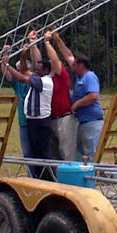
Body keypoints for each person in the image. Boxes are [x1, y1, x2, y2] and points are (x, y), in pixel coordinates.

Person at [3, 53, 58, 178]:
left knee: (43, 153)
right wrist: (23, 54)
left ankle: (48, 179)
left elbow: (22, 77)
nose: (35, 72)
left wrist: (7, 65)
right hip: (33, 121)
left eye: (38, 70)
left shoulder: (45, 81)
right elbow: (24, 70)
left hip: (41, 122)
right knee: (34, 152)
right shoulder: (39, 77)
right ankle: (37, 177)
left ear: (46, 71)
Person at [53, 32, 104, 162]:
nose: (72, 66)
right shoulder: (79, 77)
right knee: (83, 151)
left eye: (75, 64)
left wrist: (76, 105)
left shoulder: (89, 76)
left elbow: (93, 96)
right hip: (83, 122)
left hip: (92, 122)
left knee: (91, 153)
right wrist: (58, 40)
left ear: (81, 65)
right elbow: (68, 56)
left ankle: (94, 173)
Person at [29, 30, 77, 161]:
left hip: (65, 119)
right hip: (51, 119)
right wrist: (33, 44)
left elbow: (55, 61)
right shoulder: (45, 78)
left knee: (67, 153)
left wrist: (47, 42)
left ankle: (69, 174)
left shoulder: (62, 76)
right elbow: (37, 62)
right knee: (54, 154)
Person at [1, 44, 34, 176]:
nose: (19, 72)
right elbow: (6, 72)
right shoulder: (17, 83)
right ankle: (31, 176)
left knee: (36, 151)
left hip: (35, 121)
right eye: (18, 69)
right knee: (27, 152)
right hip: (23, 122)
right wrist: (5, 55)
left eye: (22, 69)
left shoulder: (33, 80)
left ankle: (38, 176)